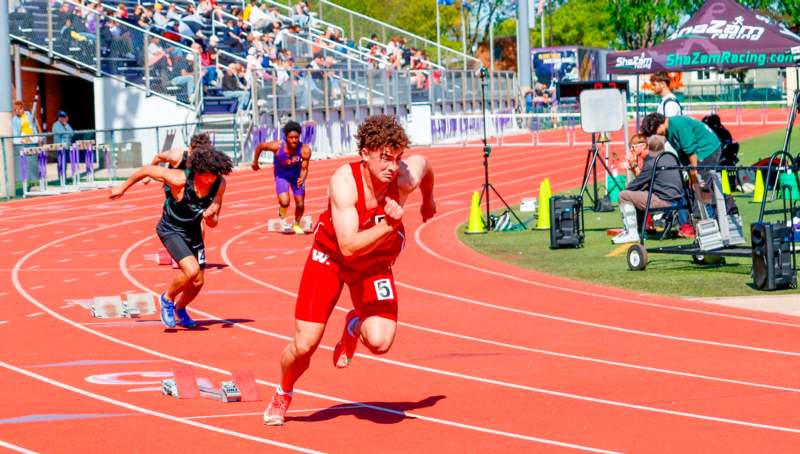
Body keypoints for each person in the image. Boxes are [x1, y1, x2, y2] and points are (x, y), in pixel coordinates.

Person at [262, 114, 436, 426]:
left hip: (373, 264)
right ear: (364, 153)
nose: (392, 167)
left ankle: (355, 322)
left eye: (397, 158)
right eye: (385, 159)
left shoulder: (404, 178)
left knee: (381, 342)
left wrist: (428, 201)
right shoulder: (344, 182)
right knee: (305, 345)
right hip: (330, 259)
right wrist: (389, 226)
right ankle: (283, 391)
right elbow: (348, 246)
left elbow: (425, 165)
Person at [109, 145, 232, 328]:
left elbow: (214, 223)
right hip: (171, 229)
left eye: (213, 175)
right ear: (196, 170)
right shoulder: (179, 179)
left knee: (198, 281)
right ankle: (167, 299)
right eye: (206, 175)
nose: (209, 179)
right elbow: (147, 170)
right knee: (191, 271)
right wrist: (122, 187)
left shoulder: (219, 184)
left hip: (193, 231)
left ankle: (180, 308)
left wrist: (212, 215)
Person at [640, 113, 723, 238]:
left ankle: (707, 224)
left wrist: (693, 174)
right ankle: (707, 221)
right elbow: (682, 152)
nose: (655, 136)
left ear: (660, 124)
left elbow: (691, 151)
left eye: (654, 133)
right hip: (697, 155)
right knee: (695, 187)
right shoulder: (668, 130)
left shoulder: (678, 125)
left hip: (707, 151)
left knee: (700, 187)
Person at [612, 136, 685, 244]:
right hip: (678, 199)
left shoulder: (651, 162)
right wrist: (634, 166)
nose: (631, 150)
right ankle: (640, 231)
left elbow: (633, 186)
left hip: (663, 201)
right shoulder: (671, 157)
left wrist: (633, 165)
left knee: (623, 195)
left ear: (644, 146)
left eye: (632, 147)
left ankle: (632, 233)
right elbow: (645, 181)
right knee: (637, 195)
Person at [251, 121, 312, 234]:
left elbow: (304, 168)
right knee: (285, 202)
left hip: (296, 176)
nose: (294, 140)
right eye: (291, 137)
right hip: (281, 175)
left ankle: (296, 224)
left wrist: (302, 178)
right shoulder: (277, 146)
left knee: (300, 204)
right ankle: (282, 211)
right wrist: (255, 162)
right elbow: (260, 146)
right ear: (286, 137)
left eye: (296, 137)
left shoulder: (305, 150)